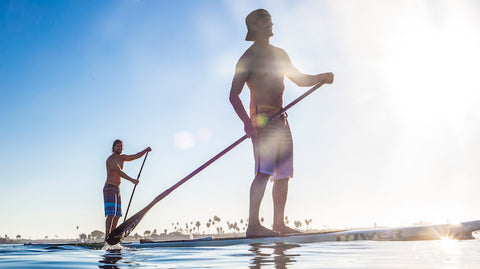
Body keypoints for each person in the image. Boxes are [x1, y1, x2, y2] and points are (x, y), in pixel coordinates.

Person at [229, 9, 334, 237]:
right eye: (264, 20)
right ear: (254, 27)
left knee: (284, 174)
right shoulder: (247, 58)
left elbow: (298, 78)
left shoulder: (281, 54)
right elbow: (233, 95)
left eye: (270, 20)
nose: (270, 23)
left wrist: (320, 78)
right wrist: (248, 124)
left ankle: (279, 224)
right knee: (263, 172)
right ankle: (253, 225)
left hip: (282, 119)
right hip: (262, 121)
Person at [104, 139, 151, 238]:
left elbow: (135, 156)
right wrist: (132, 180)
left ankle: (112, 235)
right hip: (109, 188)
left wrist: (145, 150)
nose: (119, 148)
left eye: (121, 146)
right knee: (111, 213)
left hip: (117, 189)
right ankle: (107, 235)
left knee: (117, 215)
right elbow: (119, 172)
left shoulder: (122, 158)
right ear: (113, 148)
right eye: (118, 146)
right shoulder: (111, 159)